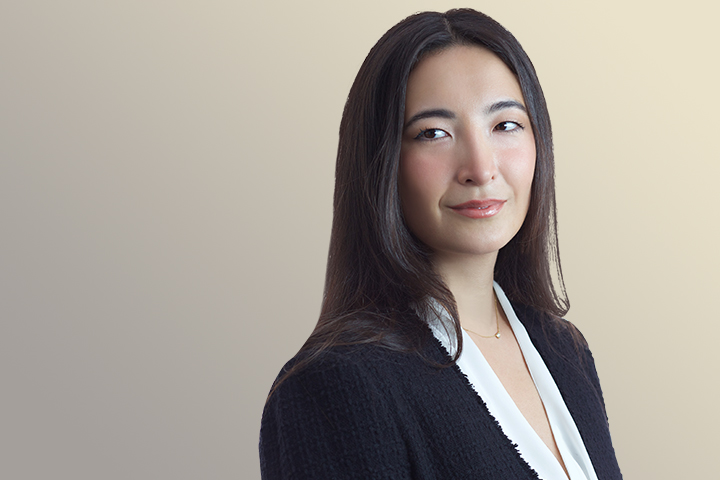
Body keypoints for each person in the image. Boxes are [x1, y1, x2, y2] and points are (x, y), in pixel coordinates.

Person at [259, 8, 622, 480]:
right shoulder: (335, 386)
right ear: (382, 162)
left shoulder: (565, 351)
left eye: (505, 125)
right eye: (434, 133)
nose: (481, 168)